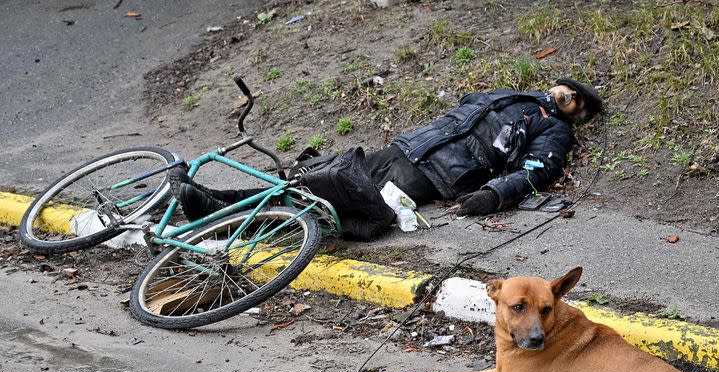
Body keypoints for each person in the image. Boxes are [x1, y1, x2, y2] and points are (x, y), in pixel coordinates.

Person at [172, 77, 601, 230]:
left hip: (434, 177)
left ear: (578, 112)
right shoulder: (517, 96)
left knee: (335, 206)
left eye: (577, 100)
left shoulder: (553, 131)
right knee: (316, 178)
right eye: (569, 90)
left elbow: (537, 172)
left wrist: (494, 194)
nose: (569, 96)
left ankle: (222, 218)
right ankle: (220, 201)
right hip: (407, 148)